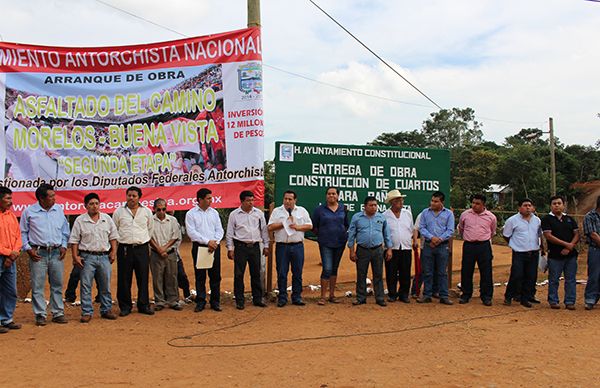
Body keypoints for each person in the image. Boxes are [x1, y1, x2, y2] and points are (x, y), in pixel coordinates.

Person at [20, 183, 70, 326]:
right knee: (38, 286)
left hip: (56, 252)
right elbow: (23, 232)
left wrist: (64, 246)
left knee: (57, 284)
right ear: (41, 198)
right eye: (51, 196)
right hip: (38, 253)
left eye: (54, 195)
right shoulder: (29, 212)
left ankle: (58, 313)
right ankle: (40, 314)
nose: (54, 198)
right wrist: (28, 249)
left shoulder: (58, 210)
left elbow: (65, 230)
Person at [69, 193, 119, 323]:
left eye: (96, 203)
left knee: (105, 285)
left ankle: (106, 309)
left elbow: (113, 237)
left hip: (104, 257)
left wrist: (113, 252)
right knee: (86, 285)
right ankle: (86, 312)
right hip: (87, 257)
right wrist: (75, 256)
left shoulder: (107, 219)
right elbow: (74, 240)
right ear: (85, 206)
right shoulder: (80, 220)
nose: (94, 206)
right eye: (91, 204)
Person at [112, 186, 155, 316]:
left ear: (139, 197)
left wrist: (143, 240)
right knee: (124, 278)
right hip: (125, 249)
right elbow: (114, 230)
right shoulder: (119, 212)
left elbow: (150, 229)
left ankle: (143, 305)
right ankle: (125, 306)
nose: (131, 198)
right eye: (129, 195)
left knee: (143, 277)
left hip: (142, 248)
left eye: (134, 196)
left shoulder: (146, 211)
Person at [268, 190, 312, 307]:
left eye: (290, 199)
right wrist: (283, 223)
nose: (287, 201)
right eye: (285, 199)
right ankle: (282, 297)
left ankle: (297, 297)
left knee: (297, 272)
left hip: (297, 245)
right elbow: (270, 226)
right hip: (282, 246)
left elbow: (309, 225)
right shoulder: (277, 211)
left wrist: (297, 227)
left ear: (295, 200)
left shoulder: (301, 211)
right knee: (282, 272)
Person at [226, 190, 269, 310]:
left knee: (256, 273)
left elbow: (264, 230)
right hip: (240, 247)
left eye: (252, 200)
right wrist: (230, 248)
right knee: (239, 274)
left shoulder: (259, 213)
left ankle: (258, 299)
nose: (251, 203)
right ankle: (240, 300)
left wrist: (266, 246)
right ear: (242, 201)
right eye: (248, 200)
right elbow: (230, 233)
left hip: (255, 247)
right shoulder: (234, 214)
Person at [347, 196, 393, 306]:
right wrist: (351, 251)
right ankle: (360, 298)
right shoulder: (357, 217)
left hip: (378, 249)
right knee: (361, 274)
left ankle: (380, 298)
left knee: (378, 274)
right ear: (365, 206)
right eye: (371, 205)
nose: (373, 207)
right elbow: (351, 235)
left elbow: (386, 235)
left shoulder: (381, 218)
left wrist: (389, 249)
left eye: (375, 205)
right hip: (362, 250)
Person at [185, 188, 224, 312]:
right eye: (208, 198)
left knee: (215, 275)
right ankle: (201, 301)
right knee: (200, 276)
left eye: (211, 198)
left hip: (214, 247)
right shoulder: (191, 214)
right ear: (200, 199)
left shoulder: (214, 213)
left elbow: (220, 229)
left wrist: (215, 242)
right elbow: (191, 232)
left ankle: (215, 301)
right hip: (200, 247)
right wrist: (207, 242)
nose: (210, 200)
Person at [458, 194, 497, 306]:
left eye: (477, 203)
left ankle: (486, 296)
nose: (474, 205)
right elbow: (461, 229)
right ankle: (466, 294)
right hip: (469, 245)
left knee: (486, 271)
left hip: (484, 246)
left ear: (483, 205)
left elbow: (492, 231)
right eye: (473, 203)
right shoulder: (465, 215)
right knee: (466, 270)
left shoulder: (491, 217)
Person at [503, 198, 543, 308]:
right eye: (525, 205)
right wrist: (515, 244)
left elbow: (540, 235)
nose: (528, 208)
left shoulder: (537, 220)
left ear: (533, 208)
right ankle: (508, 296)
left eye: (530, 205)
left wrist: (542, 248)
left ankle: (525, 298)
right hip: (519, 253)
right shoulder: (512, 220)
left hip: (533, 252)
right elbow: (506, 236)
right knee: (516, 275)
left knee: (531, 276)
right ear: (519, 208)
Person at [541, 196, 580, 310]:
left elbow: (577, 234)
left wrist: (570, 246)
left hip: (571, 255)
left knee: (571, 279)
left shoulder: (569, 219)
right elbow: (548, 236)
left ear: (563, 205)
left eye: (559, 203)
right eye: (554, 203)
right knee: (554, 279)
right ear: (551, 206)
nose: (557, 205)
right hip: (555, 255)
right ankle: (553, 301)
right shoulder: (547, 219)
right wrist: (565, 244)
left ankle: (570, 301)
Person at [417, 191, 455, 305]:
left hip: (442, 246)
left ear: (442, 202)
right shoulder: (425, 212)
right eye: (432, 200)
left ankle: (443, 296)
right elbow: (422, 228)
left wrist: (439, 239)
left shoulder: (448, 214)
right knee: (427, 271)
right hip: (428, 245)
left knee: (442, 272)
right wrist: (431, 237)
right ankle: (427, 295)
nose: (433, 203)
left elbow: (450, 230)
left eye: (436, 201)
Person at [312, 187, 348, 305]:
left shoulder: (343, 208)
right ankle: (322, 297)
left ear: (338, 196)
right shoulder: (319, 210)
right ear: (326, 196)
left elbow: (346, 224)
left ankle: (332, 295)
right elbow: (314, 227)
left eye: (333, 194)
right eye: (329, 194)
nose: (331, 196)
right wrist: (323, 235)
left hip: (340, 242)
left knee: (334, 269)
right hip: (325, 243)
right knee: (327, 268)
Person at [149, 199, 183, 311]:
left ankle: (173, 300)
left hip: (170, 253)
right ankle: (159, 301)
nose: (161, 212)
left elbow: (175, 236)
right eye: (159, 209)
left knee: (172, 276)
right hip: (155, 253)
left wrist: (164, 248)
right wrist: (159, 249)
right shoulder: (150, 221)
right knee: (157, 278)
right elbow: (149, 237)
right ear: (154, 209)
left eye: (164, 209)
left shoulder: (173, 220)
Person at [382, 190, 415, 303]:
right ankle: (392, 294)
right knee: (391, 272)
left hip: (406, 247)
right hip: (391, 248)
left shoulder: (407, 214)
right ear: (392, 202)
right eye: (398, 200)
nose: (401, 202)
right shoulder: (385, 215)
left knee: (405, 272)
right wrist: (387, 248)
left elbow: (411, 229)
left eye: (401, 200)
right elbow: (384, 233)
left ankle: (404, 294)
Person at [0, 187, 22, 333]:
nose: (11, 201)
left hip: (11, 258)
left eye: (11, 198)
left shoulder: (12, 216)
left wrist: (14, 253)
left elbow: (18, 236)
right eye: (7, 198)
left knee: (10, 290)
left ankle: (6, 319)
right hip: (4, 255)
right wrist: (9, 253)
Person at [583, 196, 600, 310]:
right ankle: (590, 299)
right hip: (595, 249)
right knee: (594, 274)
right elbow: (592, 234)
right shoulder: (590, 216)